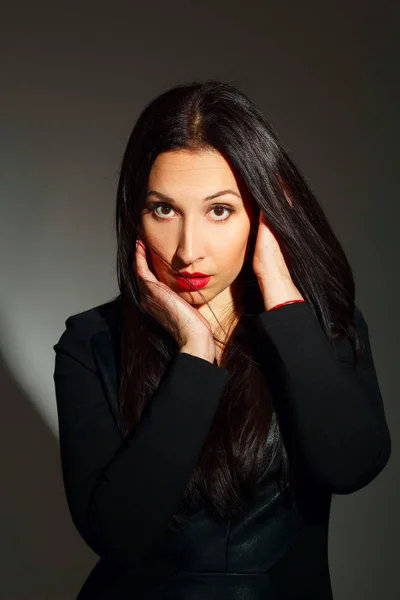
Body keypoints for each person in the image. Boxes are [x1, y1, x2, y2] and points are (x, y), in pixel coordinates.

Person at [53, 80, 391, 599]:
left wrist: (280, 290)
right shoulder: (92, 341)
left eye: (219, 210)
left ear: (265, 210)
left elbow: (351, 465)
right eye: (164, 209)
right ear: (135, 216)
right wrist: (195, 352)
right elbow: (117, 534)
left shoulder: (320, 328)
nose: (189, 251)